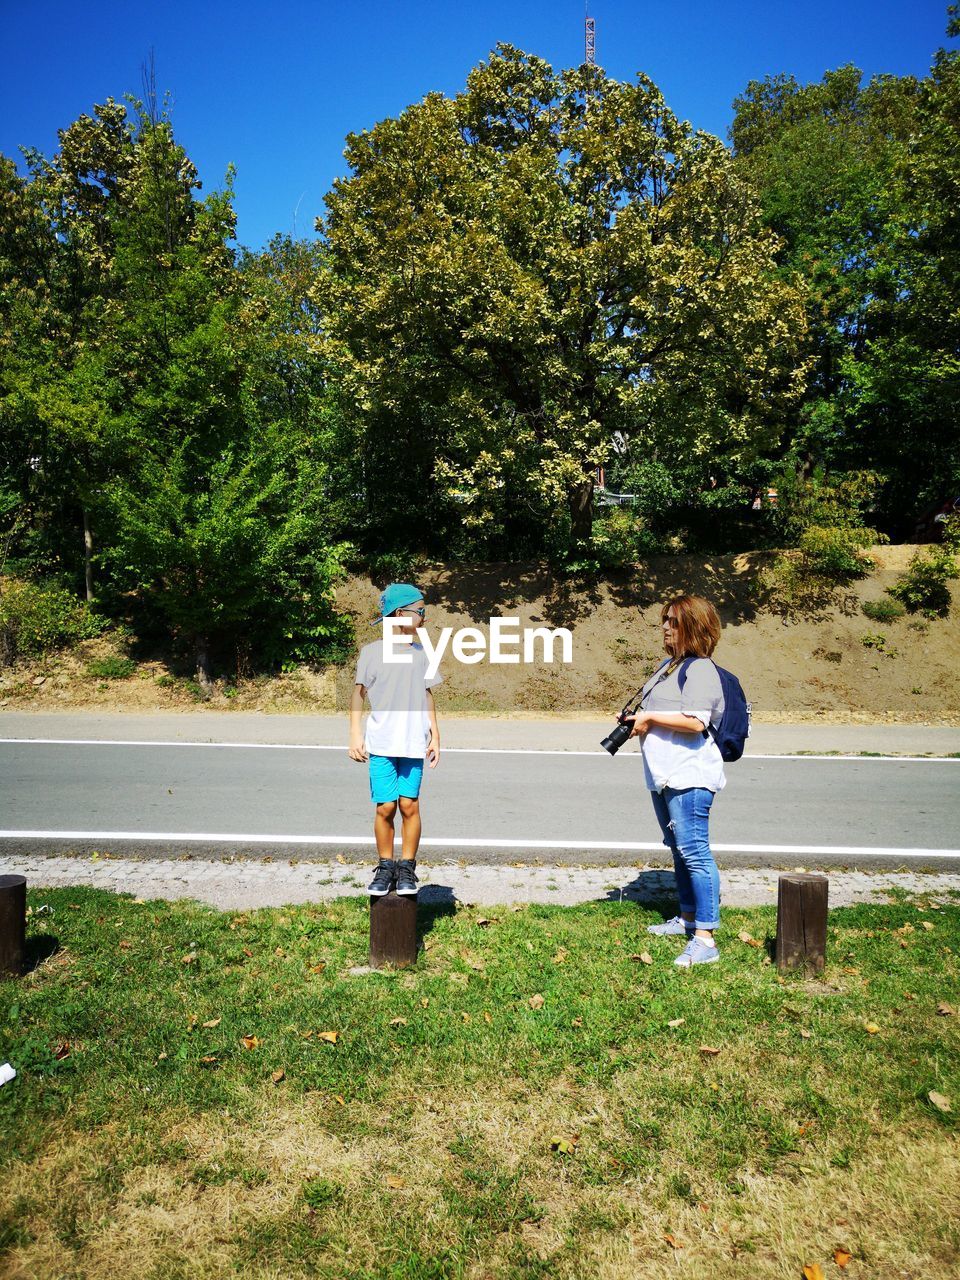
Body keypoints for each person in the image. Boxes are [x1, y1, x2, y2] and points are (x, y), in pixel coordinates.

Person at [625, 594, 726, 967]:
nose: (666, 627)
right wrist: (638, 722)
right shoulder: (670, 666)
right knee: (679, 849)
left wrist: (650, 720)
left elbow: (697, 721)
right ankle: (686, 918)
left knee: (695, 851)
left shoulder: (700, 669)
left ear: (695, 627)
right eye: (664, 620)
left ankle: (706, 938)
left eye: (674, 621)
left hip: (690, 774)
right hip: (664, 773)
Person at [349, 583, 441, 897]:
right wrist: (354, 735)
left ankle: (407, 867)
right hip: (382, 743)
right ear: (400, 615)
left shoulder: (422, 654)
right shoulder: (371, 653)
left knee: (409, 805)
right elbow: (358, 695)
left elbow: (427, 695)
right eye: (420, 612)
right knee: (385, 808)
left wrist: (436, 736)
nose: (424, 618)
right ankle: (385, 865)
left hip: (413, 742)